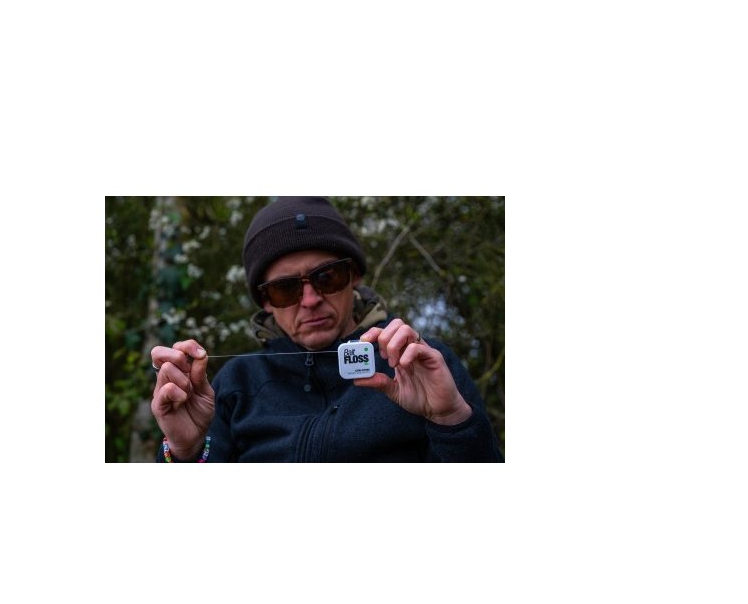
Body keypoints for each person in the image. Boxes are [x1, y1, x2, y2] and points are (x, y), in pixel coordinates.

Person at [149, 197, 503, 462]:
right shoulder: (234, 383)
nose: (310, 300)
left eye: (327, 277)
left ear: (354, 276)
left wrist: (451, 420)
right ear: (265, 300)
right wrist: (185, 451)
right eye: (285, 288)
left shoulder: (422, 365)